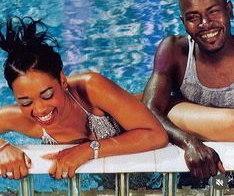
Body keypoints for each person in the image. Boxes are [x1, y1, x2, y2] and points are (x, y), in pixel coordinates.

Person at [0, 16, 168, 180]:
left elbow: (156, 135)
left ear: (63, 80)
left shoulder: (91, 88)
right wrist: (3, 148)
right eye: (26, 102)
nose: (40, 109)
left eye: (47, 95)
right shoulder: (23, 119)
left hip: (164, 113)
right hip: (112, 181)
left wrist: (88, 150)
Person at [142, 0, 234, 179]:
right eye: (193, 17)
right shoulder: (175, 51)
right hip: (193, 165)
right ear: (182, 22)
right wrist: (188, 142)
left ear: (229, 10)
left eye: (213, 12)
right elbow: (148, 109)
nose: (205, 24)